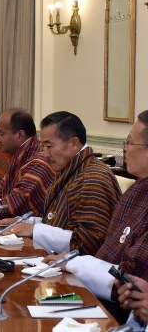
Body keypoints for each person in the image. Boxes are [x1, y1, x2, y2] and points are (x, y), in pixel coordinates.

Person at [42, 110, 148, 304]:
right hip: (93, 282)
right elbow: (109, 252)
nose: (125, 149)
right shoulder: (138, 189)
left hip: (117, 303)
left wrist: (76, 263)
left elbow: (92, 244)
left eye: (129, 142)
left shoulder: (93, 178)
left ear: (73, 144)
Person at [0, 111, 120, 256]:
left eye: (49, 146)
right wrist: (23, 223)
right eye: (43, 146)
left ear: (73, 144)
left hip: (75, 268)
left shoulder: (92, 179)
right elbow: (57, 220)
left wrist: (34, 230)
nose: (45, 154)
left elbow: (88, 243)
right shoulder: (70, 168)